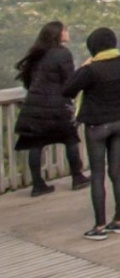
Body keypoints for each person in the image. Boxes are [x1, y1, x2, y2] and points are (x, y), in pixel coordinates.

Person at [62, 28, 120, 240]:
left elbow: (67, 90)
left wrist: (83, 66)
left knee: (98, 174)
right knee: (116, 171)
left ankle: (100, 226)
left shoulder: (91, 70)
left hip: (96, 125)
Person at [13, 21, 89, 197]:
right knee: (70, 139)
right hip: (56, 105)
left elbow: (29, 80)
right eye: (65, 30)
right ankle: (77, 177)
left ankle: (38, 184)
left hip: (34, 105)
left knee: (36, 143)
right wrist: (84, 69)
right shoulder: (62, 54)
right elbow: (69, 81)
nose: (67, 33)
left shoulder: (37, 54)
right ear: (59, 34)